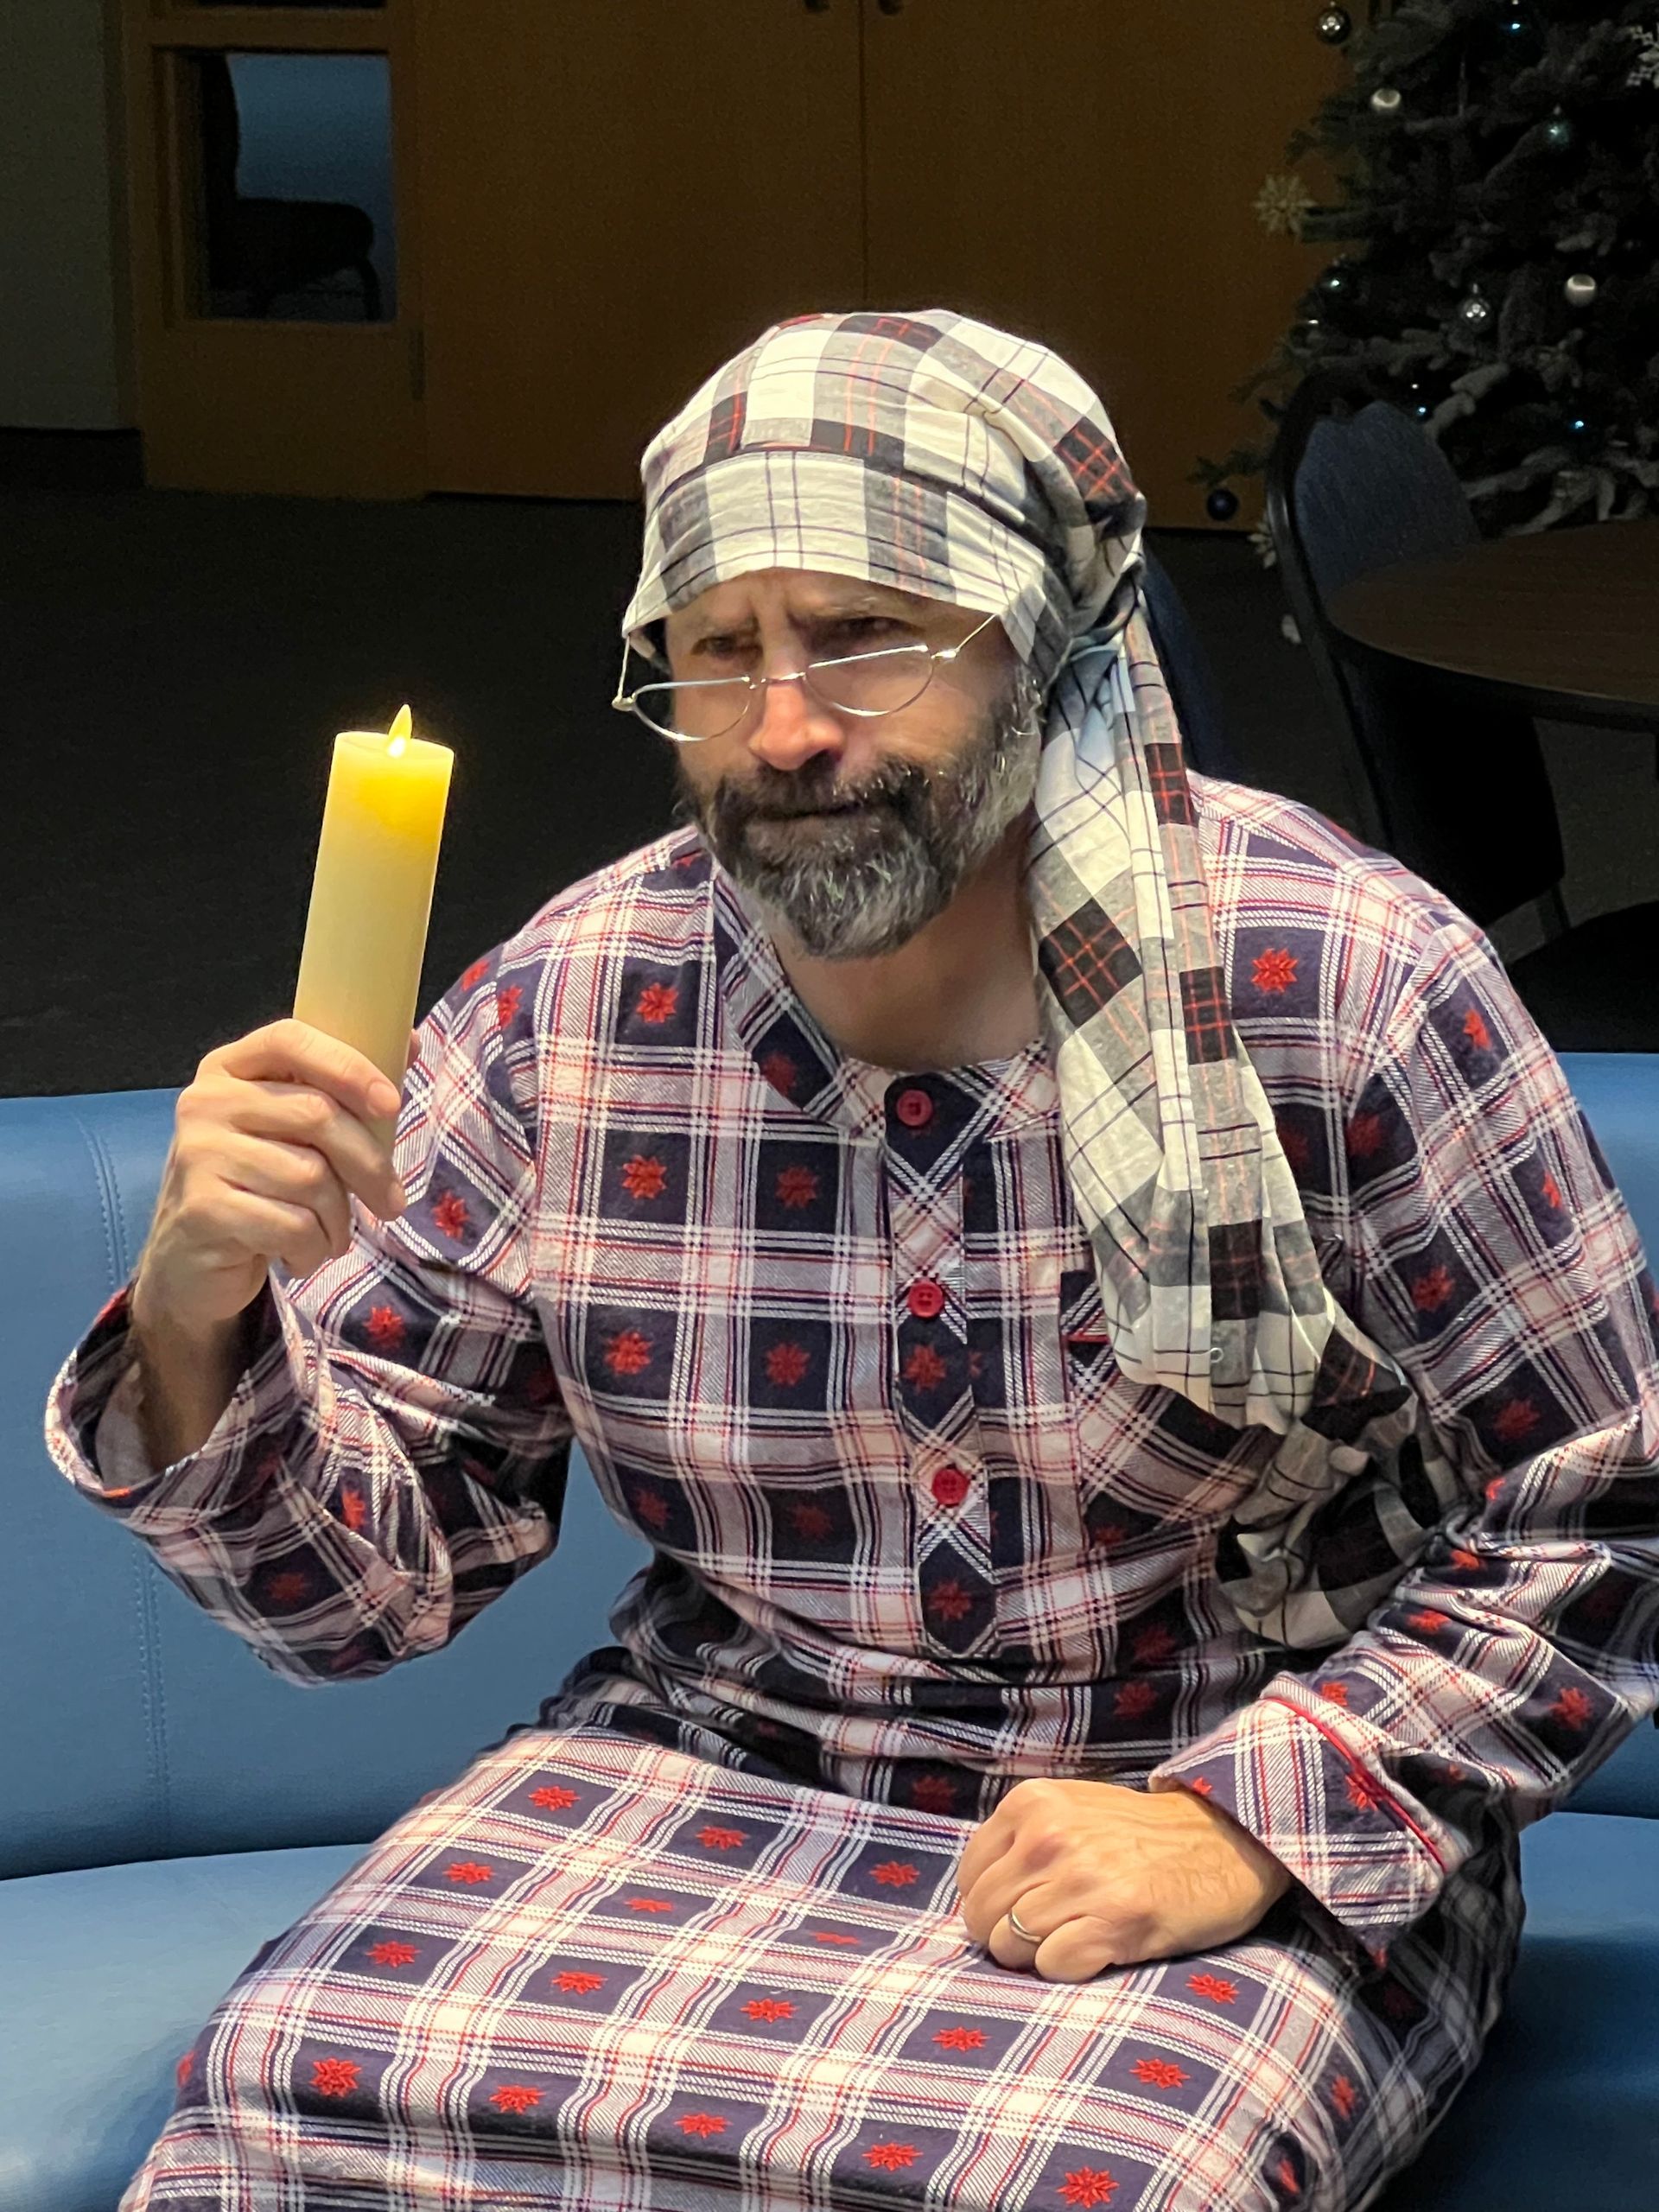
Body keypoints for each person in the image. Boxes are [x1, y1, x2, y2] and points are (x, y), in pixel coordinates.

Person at [45, 309, 1659, 2212]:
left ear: (1041, 644)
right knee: (281, 2094)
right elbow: (351, 1601)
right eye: (719, 653)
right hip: (715, 1759)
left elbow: (1603, 1512)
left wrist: (1245, 1825)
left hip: (1207, 1790)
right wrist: (197, 1313)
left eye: (868, 636)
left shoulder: (1338, 984)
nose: (790, 727)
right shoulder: (577, 1012)